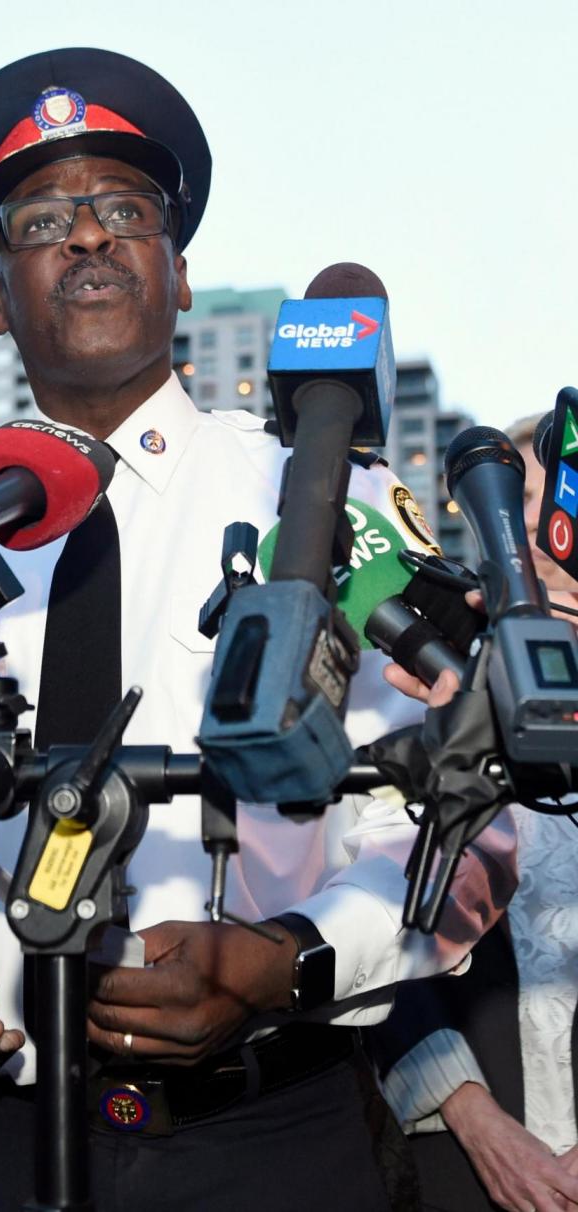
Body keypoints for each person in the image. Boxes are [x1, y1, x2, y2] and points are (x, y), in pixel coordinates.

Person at [0, 49, 517, 1212]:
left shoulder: (325, 499)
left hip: (274, 1136)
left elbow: (465, 824)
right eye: (42, 219)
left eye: (124, 211)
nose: (85, 238)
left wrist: (292, 959)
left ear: (178, 276)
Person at [370, 413, 578, 1212]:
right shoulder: (441, 679)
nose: (529, 522)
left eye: (548, 497)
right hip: (467, 1153)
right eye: (508, 498)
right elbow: (380, 918)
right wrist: (478, 1120)